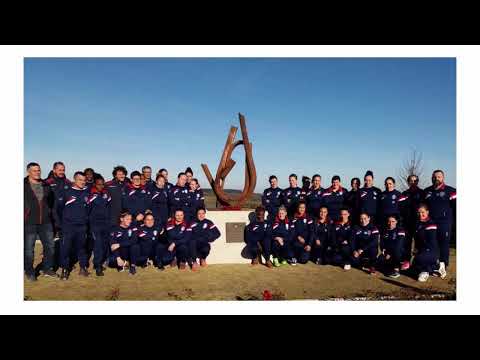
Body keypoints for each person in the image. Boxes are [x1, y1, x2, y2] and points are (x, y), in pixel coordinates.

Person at [24, 162, 57, 281]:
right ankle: (29, 271)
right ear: (28, 172)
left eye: (39, 170)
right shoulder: (23, 185)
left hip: (46, 222)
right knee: (28, 249)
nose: (37, 172)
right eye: (34, 170)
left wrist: (49, 214)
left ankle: (47, 268)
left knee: (50, 247)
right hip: (29, 222)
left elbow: (51, 202)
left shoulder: (45, 185)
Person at [54, 171, 90, 280]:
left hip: (82, 226)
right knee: (65, 248)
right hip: (68, 226)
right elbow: (58, 209)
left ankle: (83, 267)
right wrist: (60, 224)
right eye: (80, 180)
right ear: (74, 180)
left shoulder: (87, 192)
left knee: (82, 248)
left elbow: (88, 209)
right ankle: (65, 269)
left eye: (84, 180)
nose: (82, 182)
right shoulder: (67, 192)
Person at [423, 170, 456, 278]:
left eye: (439, 177)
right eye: (434, 177)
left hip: (444, 222)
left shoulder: (451, 191)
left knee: (444, 244)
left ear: (443, 178)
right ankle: (433, 264)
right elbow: (423, 208)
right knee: (432, 244)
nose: (436, 178)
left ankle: (443, 265)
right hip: (431, 223)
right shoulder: (427, 191)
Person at [87, 174, 111, 276]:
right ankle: (98, 266)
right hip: (95, 224)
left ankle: (101, 262)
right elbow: (87, 210)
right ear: (94, 184)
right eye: (98, 184)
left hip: (106, 223)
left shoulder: (106, 194)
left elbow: (109, 207)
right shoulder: (91, 195)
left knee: (105, 244)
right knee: (98, 245)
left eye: (102, 184)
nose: (101, 186)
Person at [399, 174, 425, 270]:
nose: (413, 182)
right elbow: (400, 208)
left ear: (417, 182)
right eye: (411, 180)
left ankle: (419, 262)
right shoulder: (404, 193)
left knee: (420, 243)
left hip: (419, 222)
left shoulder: (422, 193)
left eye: (415, 180)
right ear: (408, 182)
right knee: (407, 243)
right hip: (407, 223)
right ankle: (406, 262)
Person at [412, 204, 440, 282]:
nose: (420, 214)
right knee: (414, 264)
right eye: (418, 212)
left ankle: (428, 270)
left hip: (431, 250)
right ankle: (433, 267)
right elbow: (417, 239)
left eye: (422, 212)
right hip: (423, 249)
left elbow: (430, 241)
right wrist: (416, 249)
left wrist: (421, 252)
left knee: (419, 258)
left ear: (427, 212)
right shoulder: (418, 223)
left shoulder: (431, 223)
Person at [45, 161, 72, 239]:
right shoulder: (47, 182)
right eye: (59, 170)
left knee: (65, 239)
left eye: (63, 170)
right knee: (49, 241)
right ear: (54, 170)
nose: (62, 172)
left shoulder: (68, 183)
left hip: (65, 217)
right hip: (50, 217)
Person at [109, 211, 139, 275]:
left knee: (135, 246)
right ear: (121, 219)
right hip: (120, 253)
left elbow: (134, 240)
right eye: (127, 219)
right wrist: (118, 258)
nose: (130, 221)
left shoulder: (133, 227)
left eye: (130, 219)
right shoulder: (114, 229)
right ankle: (125, 264)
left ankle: (132, 266)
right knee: (111, 261)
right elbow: (113, 245)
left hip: (130, 253)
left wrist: (120, 244)